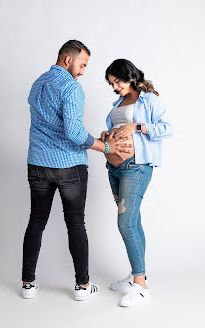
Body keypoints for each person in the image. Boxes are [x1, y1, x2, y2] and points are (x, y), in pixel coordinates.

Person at [21, 41, 133, 300]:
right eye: (82, 65)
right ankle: (82, 287)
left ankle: (27, 283)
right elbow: (74, 134)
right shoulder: (71, 87)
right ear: (68, 60)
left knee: (36, 222)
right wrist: (106, 147)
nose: (83, 71)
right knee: (75, 224)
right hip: (68, 166)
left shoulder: (38, 83)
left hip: (37, 163)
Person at [101, 59, 172, 307]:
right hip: (114, 168)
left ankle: (141, 286)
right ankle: (136, 277)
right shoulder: (117, 104)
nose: (115, 87)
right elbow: (116, 130)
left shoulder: (148, 100)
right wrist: (106, 135)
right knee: (134, 220)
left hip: (136, 167)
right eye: (111, 83)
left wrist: (137, 126)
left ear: (129, 76)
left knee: (125, 222)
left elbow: (167, 128)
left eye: (117, 81)